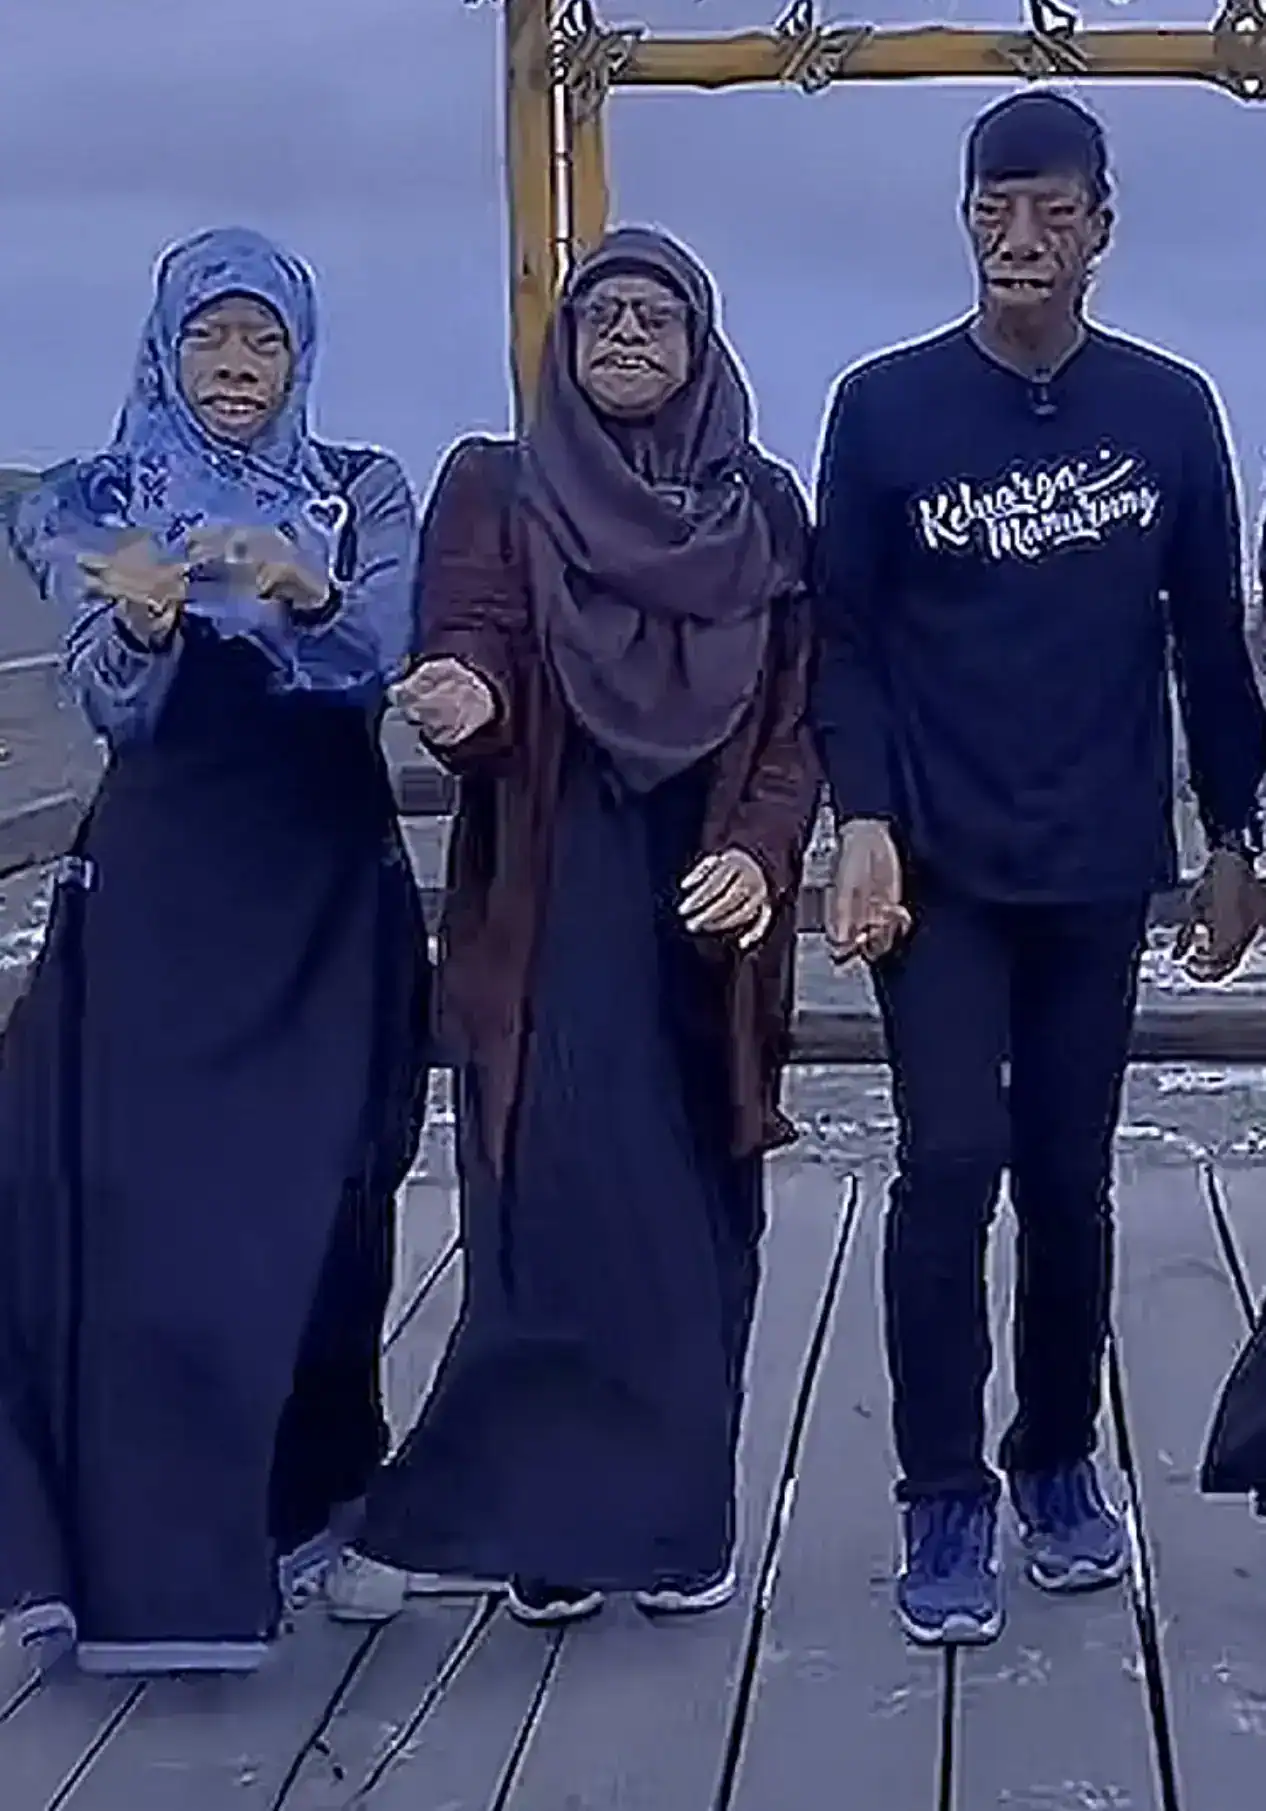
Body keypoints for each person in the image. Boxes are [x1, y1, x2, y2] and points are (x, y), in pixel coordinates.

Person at [812, 89, 1266, 1647]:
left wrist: (1234, 837)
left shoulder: (1169, 409)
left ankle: (1057, 1458)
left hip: (1096, 862)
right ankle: (942, 1491)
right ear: (963, 220)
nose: (1020, 239)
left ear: (1098, 228)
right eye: (993, 209)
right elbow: (842, 639)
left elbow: (1209, 643)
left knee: (1067, 1178)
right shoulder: (881, 408)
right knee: (948, 1165)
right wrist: (860, 815)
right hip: (934, 867)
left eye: (1051, 211)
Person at [322, 225, 819, 1629]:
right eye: (603, 318)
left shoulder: (762, 507)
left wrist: (761, 850)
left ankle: (672, 1529)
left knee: (694, 1224)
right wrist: (465, 696)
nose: (628, 339)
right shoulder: (501, 483)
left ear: (701, 348)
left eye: (658, 319)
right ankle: (526, 1529)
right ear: (566, 345)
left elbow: (797, 713)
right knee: (549, 1205)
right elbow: (472, 630)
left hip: (706, 913)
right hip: (555, 896)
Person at [0, 226, 430, 1676]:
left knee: (319, 1199)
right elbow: (109, 706)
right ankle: (138, 1559)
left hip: (323, 886)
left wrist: (306, 593)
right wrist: (142, 627)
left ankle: (308, 1497)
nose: (237, 365)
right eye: (210, 337)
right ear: (165, 349)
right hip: (162, 895)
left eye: (264, 340)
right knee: (135, 1212)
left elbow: (387, 648)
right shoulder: (97, 497)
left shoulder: (359, 488)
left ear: (300, 356)